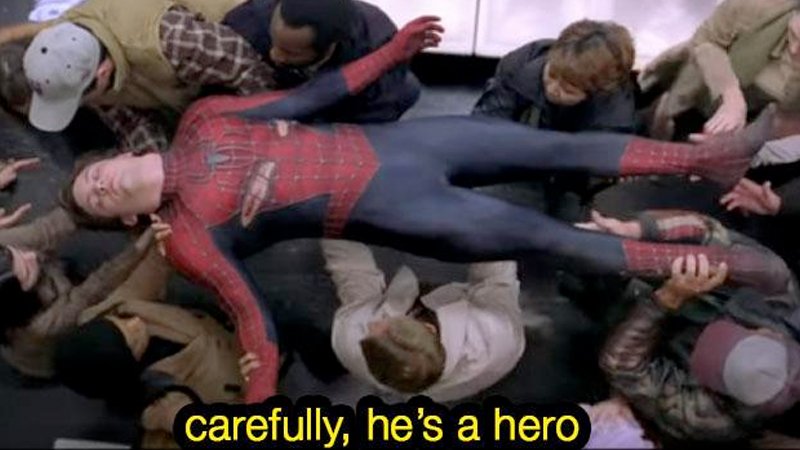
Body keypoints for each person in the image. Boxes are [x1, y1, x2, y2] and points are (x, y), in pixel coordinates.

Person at [59, 16, 799, 404]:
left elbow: (311, 97)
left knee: (556, 148)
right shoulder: (188, 237)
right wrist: (258, 398)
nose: (100, 186)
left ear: (109, 159)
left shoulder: (205, 119)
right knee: (545, 238)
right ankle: (726, 263)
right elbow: (251, 316)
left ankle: (707, 159)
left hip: (406, 146)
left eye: (92, 177)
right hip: (398, 210)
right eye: (95, 201)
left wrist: (392, 54)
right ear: (123, 219)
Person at [592, 209, 800, 442]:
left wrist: (665, 300)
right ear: (770, 333)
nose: (707, 339)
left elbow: (621, 367)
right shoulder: (777, 289)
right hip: (664, 272)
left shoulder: (708, 418)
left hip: (626, 326)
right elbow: (709, 232)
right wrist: (639, 229)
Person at [22, 0, 273, 152]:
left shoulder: (170, 41)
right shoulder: (71, 54)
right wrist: (152, 168)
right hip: (183, 77)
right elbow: (130, 121)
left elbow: (248, 68)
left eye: (80, 100)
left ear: (103, 73)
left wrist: (256, 137)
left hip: (237, 28)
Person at [319, 239, 523, 402]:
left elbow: (353, 272)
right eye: (383, 323)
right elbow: (495, 278)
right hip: (466, 375)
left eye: (380, 322)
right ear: (428, 328)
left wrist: (333, 219)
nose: (371, 324)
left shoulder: (352, 339)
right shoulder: (495, 333)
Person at [54, 293, 245, 448]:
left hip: (233, 325)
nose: (135, 322)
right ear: (130, 366)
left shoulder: (114, 313)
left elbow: (148, 274)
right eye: (133, 338)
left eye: (121, 321)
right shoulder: (160, 404)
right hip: (246, 375)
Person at [0, 220, 169, 378]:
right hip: (49, 356)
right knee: (139, 281)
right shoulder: (44, 326)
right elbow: (96, 287)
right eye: (26, 268)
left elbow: (49, 229)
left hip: (48, 297)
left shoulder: (13, 271)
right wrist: (142, 245)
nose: (30, 256)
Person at [223, 0, 420, 123]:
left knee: (408, 89)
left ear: (331, 46)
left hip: (339, 110)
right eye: (272, 40)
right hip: (264, 94)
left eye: (289, 52)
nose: (274, 55)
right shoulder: (249, 19)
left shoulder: (376, 41)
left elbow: (378, 104)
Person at [640, 0, 800, 139]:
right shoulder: (757, 6)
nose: (794, 50)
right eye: (793, 37)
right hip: (697, 95)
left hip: (757, 132)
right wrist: (731, 95)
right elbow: (704, 40)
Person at [473, 19, 637, 134]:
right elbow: (486, 124)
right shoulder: (521, 62)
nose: (553, 89)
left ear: (597, 91)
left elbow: (600, 160)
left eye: (568, 90)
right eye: (551, 75)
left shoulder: (615, 113)